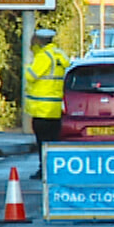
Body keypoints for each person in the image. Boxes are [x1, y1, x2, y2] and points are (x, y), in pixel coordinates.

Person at [23, 26, 72, 175]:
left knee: (43, 142)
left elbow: (31, 75)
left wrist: (26, 65)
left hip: (42, 108)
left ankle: (44, 169)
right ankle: (54, 168)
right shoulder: (59, 54)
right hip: (55, 108)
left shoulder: (44, 56)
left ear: (38, 41)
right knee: (53, 141)